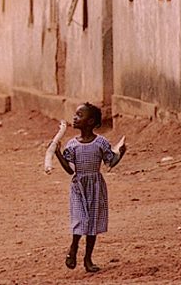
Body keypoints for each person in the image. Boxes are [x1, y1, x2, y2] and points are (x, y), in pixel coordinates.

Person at [55, 103, 127, 273]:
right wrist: (58, 154)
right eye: (75, 114)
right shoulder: (72, 144)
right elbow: (69, 170)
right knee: (80, 219)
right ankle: (73, 248)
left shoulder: (101, 142)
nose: (75, 117)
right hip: (78, 187)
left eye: (80, 115)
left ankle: (88, 259)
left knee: (92, 223)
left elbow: (110, 162)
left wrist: (121, 153)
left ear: (91, 121)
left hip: (96, 186)